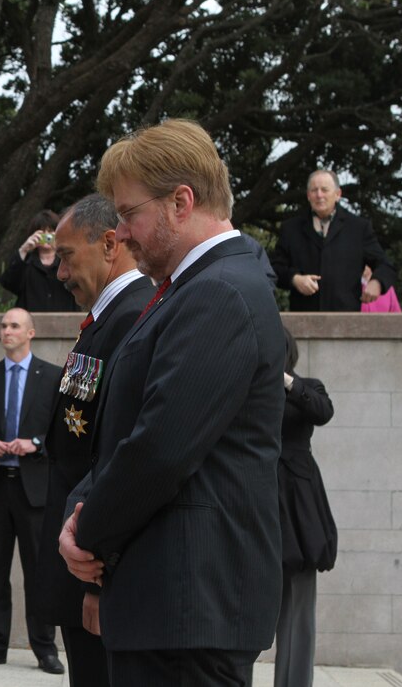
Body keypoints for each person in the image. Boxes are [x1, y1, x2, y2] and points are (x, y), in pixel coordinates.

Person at [59, 119, 286, 686]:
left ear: (181, 202)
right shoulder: (192, 288)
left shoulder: (220, 291)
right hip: (171, 607)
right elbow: (125, 425)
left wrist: (87, 535)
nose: (125, 235)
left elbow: (162, 446)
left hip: (190, 609)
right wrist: (80, 510)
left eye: (130, 214)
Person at [35, 194, 154, 687]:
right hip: (78, 555)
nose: (60, 273)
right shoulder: (108, 316)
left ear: (109, 244)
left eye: (66, 256)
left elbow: (117, 457)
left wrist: (100, 583)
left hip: (93, 567)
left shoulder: (130, 317)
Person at [0, 307, 65, 675]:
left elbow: (62, 434)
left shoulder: (53, 377)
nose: (7, 331)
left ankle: (45, 649)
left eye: (14, 326)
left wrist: (35, 443)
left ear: (30, 333)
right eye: (3, 325)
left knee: (39, 572)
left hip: (34, 491)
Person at [274, 327, 337, 687]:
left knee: (300, 600)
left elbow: (323, 411)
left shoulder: (306, 386)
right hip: (264, 495)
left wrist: (286, 381)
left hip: (299, 500)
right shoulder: (253, 388)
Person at [271, 169, 395, 311]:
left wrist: (377, 282)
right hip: (304, 320)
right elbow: (275, 268)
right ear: (308, 196)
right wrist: (295, 278)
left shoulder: (359, 228)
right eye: (314, 190)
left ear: (338, 194)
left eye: (324, 190)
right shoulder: (291, 228)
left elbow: (385, 265)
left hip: (346, 321)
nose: (319, 195)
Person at [0, 210, 79, 312]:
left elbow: (79, 281)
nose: (46, 236)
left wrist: (62, 249)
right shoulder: (25, 262)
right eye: (42, 232)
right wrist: (24, 249)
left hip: (64, 321)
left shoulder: (67, 260)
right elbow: (8, 283)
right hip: (30, 323)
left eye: (50, 231)